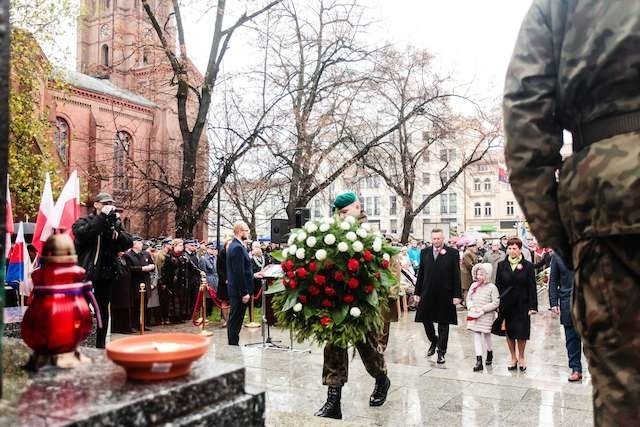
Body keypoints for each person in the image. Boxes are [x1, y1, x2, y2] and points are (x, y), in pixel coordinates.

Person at [504, 3, 640, 423]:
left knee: (626, 384)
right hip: (611, 200)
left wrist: (558, 230)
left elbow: (526, 108)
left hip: (611, 197)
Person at [315, 191, 392, 420]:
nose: (340, 216)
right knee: (333, 348)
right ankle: (333, 402)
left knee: (367, 347)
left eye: (344, 212)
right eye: (338, 213)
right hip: (336, 301)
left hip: (361, 301)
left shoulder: (370, 234)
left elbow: (381, 270)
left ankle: (381, 378)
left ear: (358, 208)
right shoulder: (332, 234)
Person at [72, 192, 133, 348]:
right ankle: (79, 341)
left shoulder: (115, 223)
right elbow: (83, 234)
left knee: (102, 309)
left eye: (110, 203)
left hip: (106, 271)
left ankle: (100, 344)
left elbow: (128, 242)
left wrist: (116, 234)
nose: (108, 206)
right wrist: (102, 219)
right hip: (87, 271)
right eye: (105, 203)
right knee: (82, 307)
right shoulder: (85, 221)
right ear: (96, 205)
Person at [414, 228, 462, 364]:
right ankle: (434, 340)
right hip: (427, 292)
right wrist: (417, 292)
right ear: (431, 239)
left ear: (443, 238)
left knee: (443, 323)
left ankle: (441, 352)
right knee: (425, 319)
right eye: (434, 238)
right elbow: (421, 274)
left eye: (438, 238)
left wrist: (457, 295)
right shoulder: (424, 252)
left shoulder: (452, 253)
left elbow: (456, 275)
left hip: (445, 293)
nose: (436, 241)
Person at [494, 237, 537, 372]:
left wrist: (533, 306)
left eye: (514, 248)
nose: (512, 251)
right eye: (509, 248)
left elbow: (532, 287)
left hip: (522, 303)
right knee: (510, 332)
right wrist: (497, 303)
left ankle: (522, 357)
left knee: (522, 332)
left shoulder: (528, 265)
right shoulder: (501, 265)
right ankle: (513, 357)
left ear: (520, 250)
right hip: (506, 304)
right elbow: (498, 285)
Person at [548, 252, 583, 382]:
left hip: (590, 300)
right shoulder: (557, 256)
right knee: (571, 338)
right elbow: (553, 281)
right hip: (567, 301)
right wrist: (553, 302)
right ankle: (576, 369)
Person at [466, 263, 500, 372]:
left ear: (487, 275)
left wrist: (484, 309)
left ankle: (489, 352)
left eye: (482, 274)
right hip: (474, 314)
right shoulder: (473, 286)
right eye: (477, 274)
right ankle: (478, 359)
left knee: (486, 334)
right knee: (476, 334)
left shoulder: (492, 287)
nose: (479, 277)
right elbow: (468, 298)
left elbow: (496, 302)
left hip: (486, 314)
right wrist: (471, 307)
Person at [226, 221, 253, 346]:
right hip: (239, 291)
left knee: (236, 319)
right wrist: (244, 292)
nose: (248, 233)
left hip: (237, 289)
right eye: (246, 231)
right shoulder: (236, 247)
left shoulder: (238, 246)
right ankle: (233, 344)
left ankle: (234, 342)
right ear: (240, 231)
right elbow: (238, 272)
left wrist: (254, 275)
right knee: (235, 319)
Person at [124, 236, 154, 331]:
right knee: (135, 305)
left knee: (144, 305)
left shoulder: (145, 254)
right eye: (140, 243)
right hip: (135, 283)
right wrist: (142, 269)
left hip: (145, 282)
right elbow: (129, 268)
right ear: (134, 244)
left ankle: (142, 324)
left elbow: (152, 263)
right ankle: (133, 324)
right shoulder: (128, 255)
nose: (141, 245)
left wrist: (151, 266)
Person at [198, 242, 219, 317]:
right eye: (211, 249)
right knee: (207, 297)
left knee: (214, 296)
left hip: (215, 278)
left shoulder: (215, 257)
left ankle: (211, 311)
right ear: (207, 249)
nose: (212, 250)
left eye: (213, 249)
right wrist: (205, 281)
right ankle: (206, 313)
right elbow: (202, 270)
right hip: (208, 278)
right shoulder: (203, 258)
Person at [460, 242, 478, 307]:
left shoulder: (471, 253)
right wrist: (476, 268)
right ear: (470, 247)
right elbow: (469, 265)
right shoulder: (467, 254)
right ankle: (466, 303)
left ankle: (467, 302)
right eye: (474, 247)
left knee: (469, 289)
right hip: (466, 275)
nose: (475, 248)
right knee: (467, 289)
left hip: (468, 274)